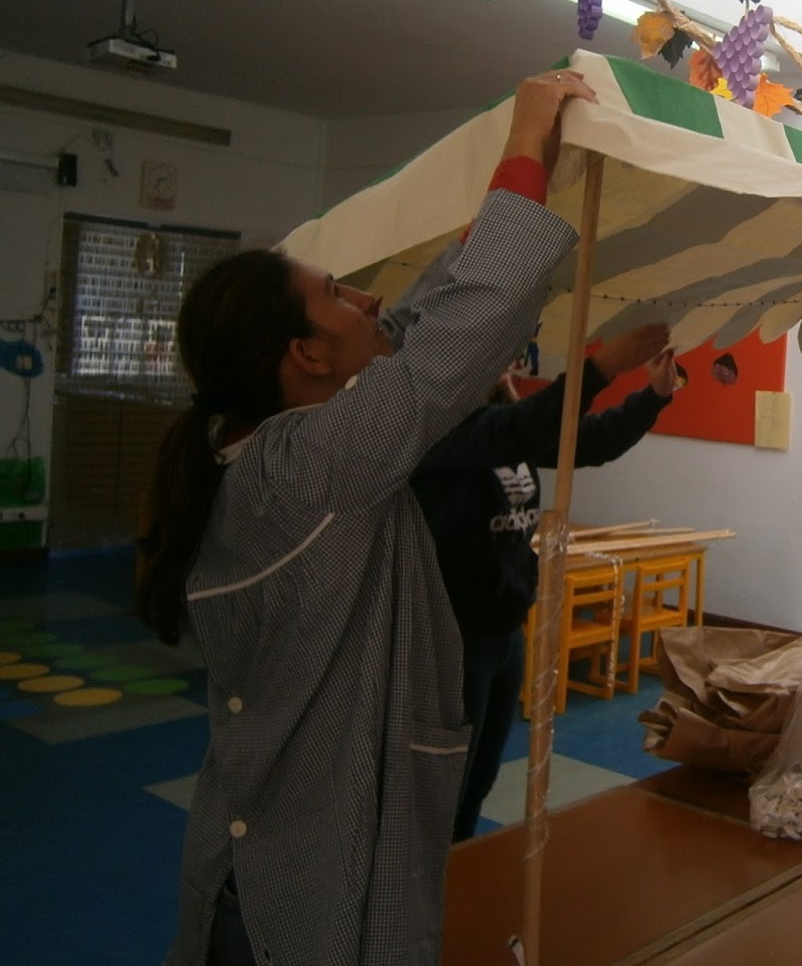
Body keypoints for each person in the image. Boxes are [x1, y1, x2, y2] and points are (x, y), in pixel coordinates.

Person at [134, 69, 595, 966]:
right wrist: (525, 136)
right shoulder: (304, 469)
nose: (369, 300)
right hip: (292, 889)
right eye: (340, 295)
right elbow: (450, 343)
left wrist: (498, 210)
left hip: (277, 854)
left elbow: (418, 327)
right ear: (306, 356)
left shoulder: (275, 445)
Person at [411, 329, 677, 841]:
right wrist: (601, 368)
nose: (508, 364)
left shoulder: (506, 423)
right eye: (496, 356)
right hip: (451, 633)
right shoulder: (434, 427)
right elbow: (516, 429)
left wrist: (653, 397)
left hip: (502, 628)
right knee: (441, 787)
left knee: (478, 780)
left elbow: (587, 442)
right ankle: (423, 880)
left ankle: (459, 867)